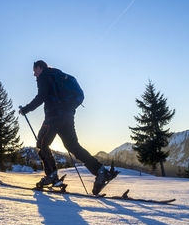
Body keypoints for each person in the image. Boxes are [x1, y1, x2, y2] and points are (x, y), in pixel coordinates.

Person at [19, 60, 116, 195]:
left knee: (42, 143)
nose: (34, 75)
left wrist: (26, 109)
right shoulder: (58, 75)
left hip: (53, 116)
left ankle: (51, 175)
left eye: (34, 71)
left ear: (40, 68)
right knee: (73, 146)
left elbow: (41, 97)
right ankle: (101, 171)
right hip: (68, 117)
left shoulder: (44, 76)